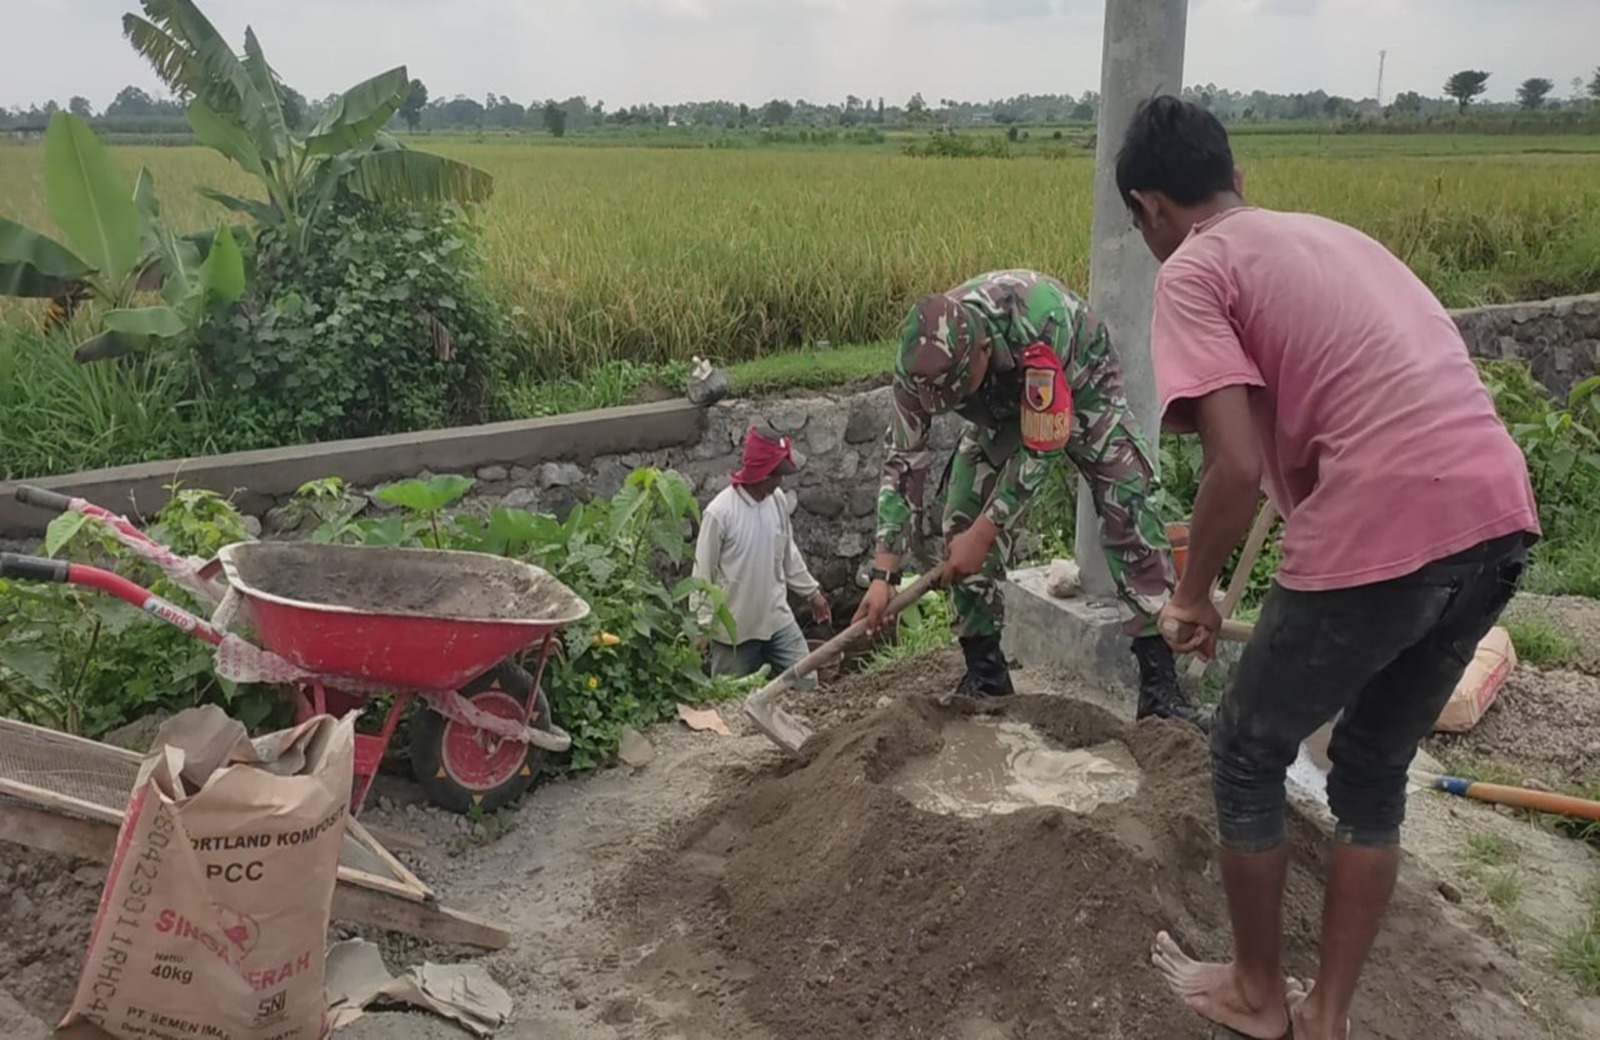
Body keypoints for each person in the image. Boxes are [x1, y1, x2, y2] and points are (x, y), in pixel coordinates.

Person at [1118, 96, 1540, 1040]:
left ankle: (1259, 995)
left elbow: (1230, 465)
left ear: (1150, 206)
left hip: (1388, 516)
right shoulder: (1327, 238)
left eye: (1142, 222)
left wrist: (1189, 595)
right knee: (1373, 766)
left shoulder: (1194, 268)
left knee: (1244, 748)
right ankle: (1328, 1015)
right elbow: (1357, 406)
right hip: (1499, 513)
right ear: (1236, 178)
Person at [853, 269, 1207, 730]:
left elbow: (1042, 448)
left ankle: (1160, 690)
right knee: (961, 517)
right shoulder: (920, 363)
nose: (942, 401)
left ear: (981, 352)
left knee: (1131, 507)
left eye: (954, 391)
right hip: (1000, 410)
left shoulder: (1037, 324)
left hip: (1083, 387)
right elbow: (903, 460)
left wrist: (987, 532)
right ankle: (987, 677)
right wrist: (884, 574)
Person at [693, 424, 832, 689]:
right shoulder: (720, 513)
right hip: (736, 632)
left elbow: (788, 552)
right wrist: (702, 627)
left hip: (777, 621)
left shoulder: (777, 500)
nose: (779, 481)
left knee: (808, 682)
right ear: (759, 473)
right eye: (775, 474)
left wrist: (812, 593)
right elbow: (702, 575)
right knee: (728, 700)